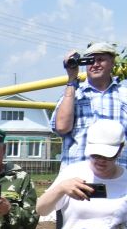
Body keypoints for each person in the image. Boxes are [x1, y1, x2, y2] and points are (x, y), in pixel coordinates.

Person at [52, 41, 127, 172]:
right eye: (90, 60)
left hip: (119, 178)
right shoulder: (73, 93)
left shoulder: (124, 95)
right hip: (77, 178)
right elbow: (62, 128)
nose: (95, 64)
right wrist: (71, 80)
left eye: (101, 60)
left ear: (112, 62)